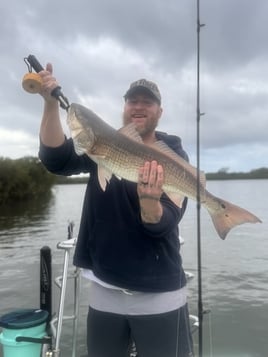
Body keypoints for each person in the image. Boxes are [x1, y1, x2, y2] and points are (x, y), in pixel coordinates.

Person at [38, 64, 194, 357]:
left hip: (159, 292)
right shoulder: (102, 142)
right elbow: (56, 159)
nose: (138, 106)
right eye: (132, 100)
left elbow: (165, 223)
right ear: (124, 107)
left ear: (160, 111)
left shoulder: (173, 156)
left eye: (147, 101)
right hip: (104, 288)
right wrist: (49, 105)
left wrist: (149, 203)